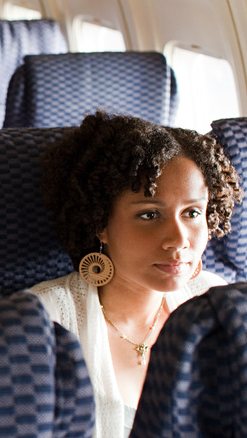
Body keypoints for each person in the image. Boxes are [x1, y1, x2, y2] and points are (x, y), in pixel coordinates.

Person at [29, 111, 243, 437]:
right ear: (100, 223)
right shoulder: (45, 320)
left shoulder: (215, 303)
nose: (178, 240)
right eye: (149, 215)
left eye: (192, 213)